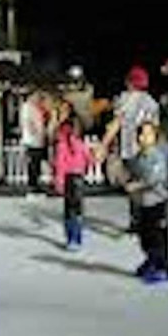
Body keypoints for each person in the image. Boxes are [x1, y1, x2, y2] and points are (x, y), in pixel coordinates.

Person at [95, 66, 160, 231]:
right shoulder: (152, 102)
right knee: (142, 184)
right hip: (147, 148)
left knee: (131, 185)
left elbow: (116, 123)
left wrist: (104, 144)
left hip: (130, 148)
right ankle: (146, 218)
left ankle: (137, 220)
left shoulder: (125, 99)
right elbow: (155, 127)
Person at [125, 121, 168, 284]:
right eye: (141, 134)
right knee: (144, 236)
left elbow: (155, 178)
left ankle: (163, 268)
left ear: (155, 138)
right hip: (143, 203)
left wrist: (137, 185)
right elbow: (133, 174)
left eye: (148, 134)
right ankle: (150, 260)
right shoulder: (138, 157)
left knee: (158, 237)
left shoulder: (157, 156)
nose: (143, 137)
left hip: (157, 202)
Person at [53, 101, 92, 250]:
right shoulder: (79, 144)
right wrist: (85, 168)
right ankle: (76, 237)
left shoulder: (64, 145)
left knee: (70, 210)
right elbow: (88, 159)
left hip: (71, 178)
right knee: (77, 209)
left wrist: (59, 181)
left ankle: (72, 238)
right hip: (76, 177)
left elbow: (60, 165)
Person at [20, 91, 48, 196]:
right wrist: (35, 131)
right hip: (32, 140)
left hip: (38, 139)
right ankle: (33, 184)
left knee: (37, 162)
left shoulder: (37, 107)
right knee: (33, 163)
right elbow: (28, 122)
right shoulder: (27, 107)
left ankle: (36, 182)